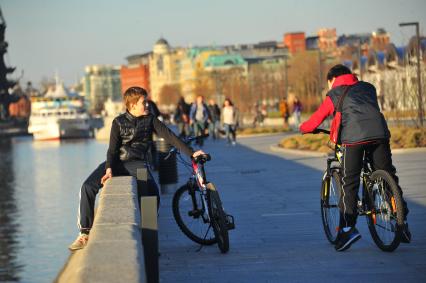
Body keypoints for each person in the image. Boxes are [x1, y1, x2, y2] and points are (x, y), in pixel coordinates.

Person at [69, 87, 205, 251]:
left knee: (152, 193)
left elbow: (170, 136)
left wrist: (191, 153)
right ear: (132, 105)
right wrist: (109, 169)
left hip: (137, 163)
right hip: (116, 162)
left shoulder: (150, 119)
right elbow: (112, 150)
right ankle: (84, 233)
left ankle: (149, 243)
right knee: (87, 187)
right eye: (144, 102)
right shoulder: (118, 122)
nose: (147, 105)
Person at [299, 64, 411, 251]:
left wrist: (304, 128)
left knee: (349, 182)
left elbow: (316, 119)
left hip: (354, 138)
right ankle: (401, 221)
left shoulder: (334, 93)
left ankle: (348, 229)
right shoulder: (368, 87)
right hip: (380, 134)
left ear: (332, 80)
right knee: (387, 175)